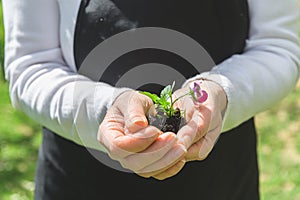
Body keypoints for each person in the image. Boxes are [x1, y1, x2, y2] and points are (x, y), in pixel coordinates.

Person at [2, 0, 300, 199]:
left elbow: (277, 46)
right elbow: (31, 63)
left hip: (220, 175)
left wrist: (216, 93)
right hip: (79, 178)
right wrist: (103, 111)